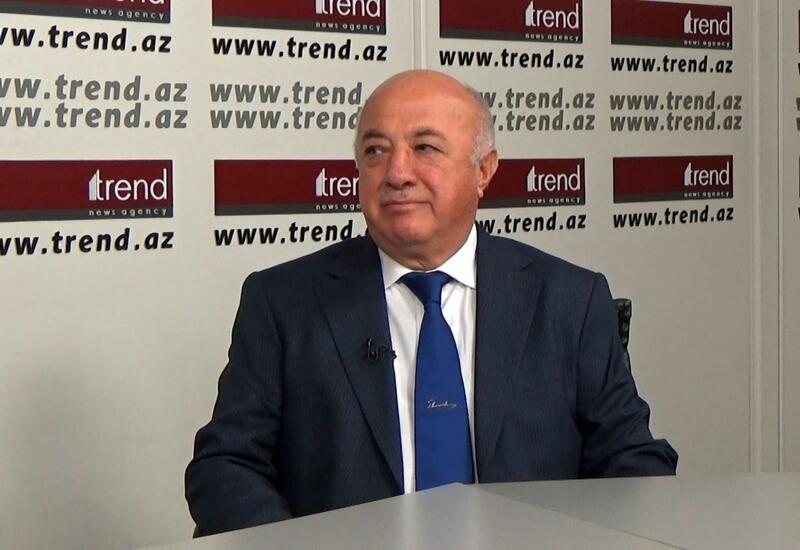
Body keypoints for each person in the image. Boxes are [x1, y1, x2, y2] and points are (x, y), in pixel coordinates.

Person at [185, 70, 677, 537]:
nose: (397, 173)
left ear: (483, 170)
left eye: (425, 147)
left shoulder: (570, 300)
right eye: (375, 151)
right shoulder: (283, 303)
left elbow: (632, 461)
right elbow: (225, 466)